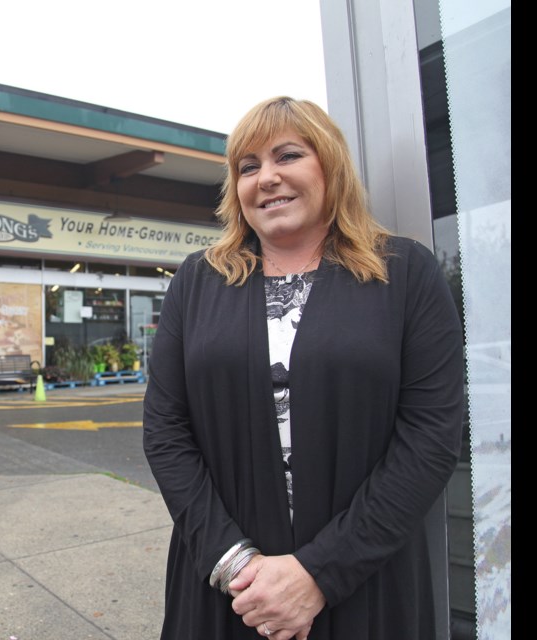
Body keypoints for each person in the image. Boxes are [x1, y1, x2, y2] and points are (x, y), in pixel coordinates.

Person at [142, 96, 464, 640]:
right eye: (248, 166)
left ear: (329, 167)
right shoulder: (198, 281)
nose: (266, 178)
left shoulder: (405, 273)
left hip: (367, 578)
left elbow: (430, 435)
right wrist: (237, 566)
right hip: (231, 593)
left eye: (286, 156)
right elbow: (165, 431)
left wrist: (318, 573)